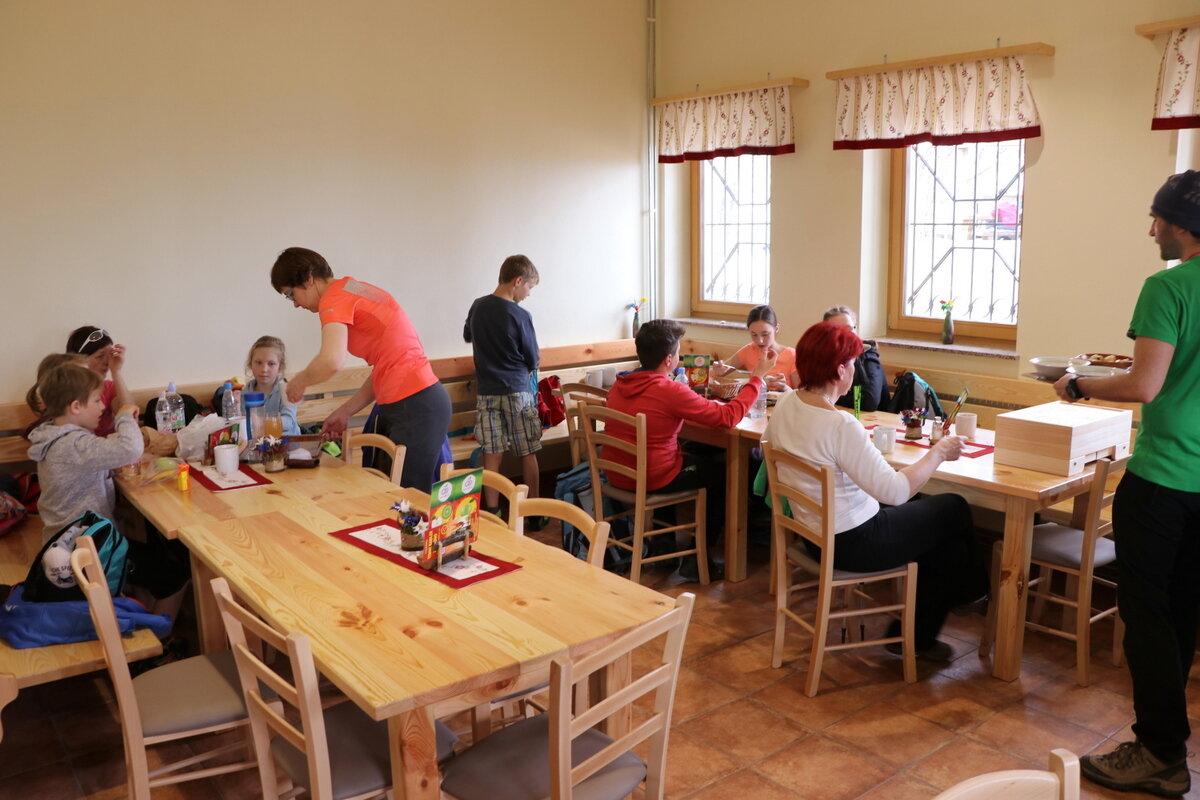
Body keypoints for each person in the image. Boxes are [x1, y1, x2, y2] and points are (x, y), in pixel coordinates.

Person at [1051, 171, 1200, 798]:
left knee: (1148, 618)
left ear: (1179, 223)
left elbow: (1144, 384)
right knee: (1182, 614)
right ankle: (1167, 746)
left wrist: (1078, 385)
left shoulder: (1168, 286)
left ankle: (1160, 753)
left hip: (1165, 479)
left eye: (1155, 218)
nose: (1151, 230)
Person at [764, 321, 986, 660]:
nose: (855, 370)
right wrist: (939, 452)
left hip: (813, 537)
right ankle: (973, 592)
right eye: (853, 363)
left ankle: (917, 636)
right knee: (954, 507)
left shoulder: (787, 403)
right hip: (854, 543)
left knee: (945, 539)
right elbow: (895, 493)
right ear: (840, 370)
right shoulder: (840, 424)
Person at [604, 319, 776, 580]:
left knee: (675, 456)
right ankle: (698, 559)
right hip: (651, 476)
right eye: (678, 352)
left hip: (618, 473)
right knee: (721, 474)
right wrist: (757, 378)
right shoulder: (669, 389)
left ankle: (665, 545)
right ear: (669, 360)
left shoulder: (621, 383)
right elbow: (728, 417)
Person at [272, 247, 451, 493]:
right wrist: (345, 411)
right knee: (402, 499)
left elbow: (332, 360)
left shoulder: (334, 298)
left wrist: (298, 381)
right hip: (418, 402)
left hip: (416, 405)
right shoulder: (350, 288)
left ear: (308, 279)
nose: (295, 304)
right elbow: (384, 367)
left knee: (410, 503)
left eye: (291, 294)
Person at [26, 363, 143, 543]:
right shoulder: (73, 444)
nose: (102, 406)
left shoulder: (57, 436)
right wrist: (124, 416)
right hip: (84, 545)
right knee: (166, 556)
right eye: (97, 400)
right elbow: (131, 448)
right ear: (76, 407)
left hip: (68, 540)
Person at [462, 255, 542, 516]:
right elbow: (533, 358)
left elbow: (467, 336)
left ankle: (493, 511)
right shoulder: (520, 315)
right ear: (518, 281)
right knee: (527, 451)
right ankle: (534, 511)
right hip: (517, 391)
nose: (528, 293)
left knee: (492, 452)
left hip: (487, 392)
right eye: (529, 286)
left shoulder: (478, 306)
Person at [216, 336, 300, 436]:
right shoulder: (245, 392)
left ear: (280, 367)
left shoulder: (288, 390)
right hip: (258, 443)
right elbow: (243, 428)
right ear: (250, 364)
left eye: (271, 363)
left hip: (288, 442)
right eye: (258, 362)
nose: (264, 369)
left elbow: (289, 422)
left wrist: (261, 421)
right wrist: (236, 410)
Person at [65, 326, 134, 437]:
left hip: (110, 444)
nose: (107, 362)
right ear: (78, 359)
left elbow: (130, 415)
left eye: (110, 355)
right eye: (100, 356)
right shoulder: (62, 390)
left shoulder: (108, 387)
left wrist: (116, 372)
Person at [823, 305, 890, 412]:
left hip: (869, 418)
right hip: (834, 413)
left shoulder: (867, 356)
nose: (844, 334)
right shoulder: (823, 356)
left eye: (849, 329)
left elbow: (869, 401)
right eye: (837, 329)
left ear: (856, 330)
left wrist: (831, 396)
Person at [712, 305, 796, 390]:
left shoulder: (793, 356)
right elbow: (718, 371)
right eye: (754, 335)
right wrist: (717, 369)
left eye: (765, 334)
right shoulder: (748, 351)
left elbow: (800, 394)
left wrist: (784, 387)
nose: (760, 341)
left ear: (776, 329)